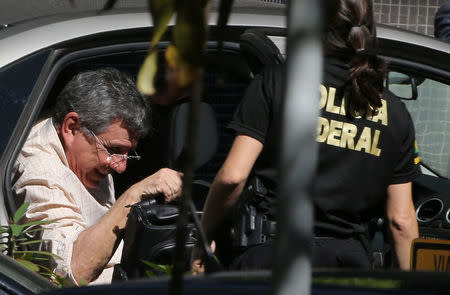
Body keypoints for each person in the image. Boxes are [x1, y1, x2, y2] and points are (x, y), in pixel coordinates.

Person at [192, 0, 420, 273]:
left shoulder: (277, 81)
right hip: (347, 268)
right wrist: (414, 286)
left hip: (271, 260)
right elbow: (402, 221)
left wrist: (204, 239)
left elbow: (233, 177)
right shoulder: (394, 112)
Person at [11, 67, 183, 285]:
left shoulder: (85, 153)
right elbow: (73, 271)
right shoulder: (39, 170)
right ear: (72, 128)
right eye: (114, 150)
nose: (121, 167)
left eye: (128, 153)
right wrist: (134, 195)